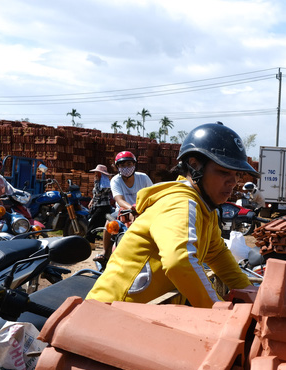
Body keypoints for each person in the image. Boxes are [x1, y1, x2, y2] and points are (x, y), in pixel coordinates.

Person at [87, 122, 257, 308]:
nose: (233, 182)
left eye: (237, 174)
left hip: (138, 313)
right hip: (108, 313)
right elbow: (180, 261)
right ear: (195, 166)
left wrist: (248, 290)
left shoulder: (205, 209)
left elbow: (216, 254)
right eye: (224, 172)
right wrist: (217, 310)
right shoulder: (181, 203)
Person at [95, 151, 153, 265]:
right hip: (122, 211)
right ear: (118, 167)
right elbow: (119, 199)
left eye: (129, 164)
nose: (126, 167)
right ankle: (105, 253)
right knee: (109, 224)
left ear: (134, 165)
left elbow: (152, 194)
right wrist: (132, 209)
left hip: (143, 211)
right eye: (122, 165)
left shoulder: (144, 178)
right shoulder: (116, 180)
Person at [86, 163, 114, 246]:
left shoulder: (105, 184)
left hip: (103, 207)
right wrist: (92, 201)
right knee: (94, 225)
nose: (95, 174)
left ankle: (89, 243)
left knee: (92, 224)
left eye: (97, 172)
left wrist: (97, 181)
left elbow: (98, 193)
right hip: (98, 206)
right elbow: (95, 195)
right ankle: (91, 243)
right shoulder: (99, 182)